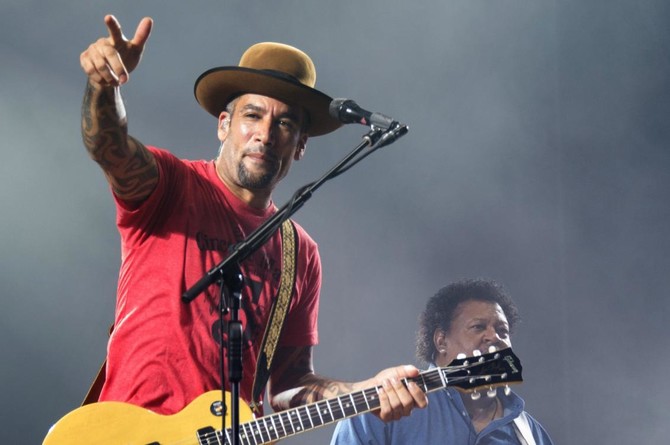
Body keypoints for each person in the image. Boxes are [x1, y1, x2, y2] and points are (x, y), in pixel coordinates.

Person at [77, 14, 427, 423]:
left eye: (284, 123)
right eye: (253, 116)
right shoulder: (172, 185)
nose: (266, 133)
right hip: (131, 430)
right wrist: (103, 85)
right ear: (224, 125)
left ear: (300, 145)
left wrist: (363, 392)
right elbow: (109, 146)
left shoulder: (299, 253)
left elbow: (289, 384)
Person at [330, 279, 554, 444]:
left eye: (502, 331)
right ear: (441, 341)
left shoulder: (531, 435)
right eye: (478, 327)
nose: (494, 337)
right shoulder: (385, 406)